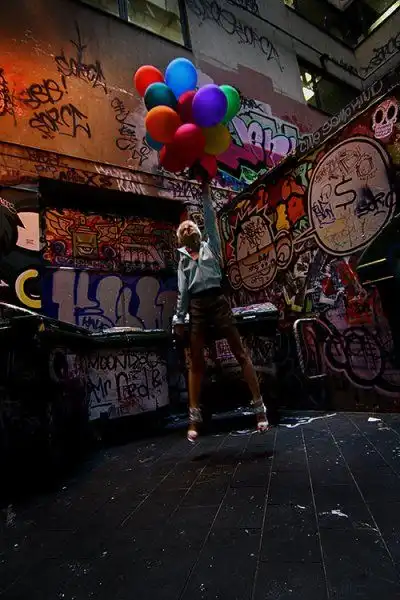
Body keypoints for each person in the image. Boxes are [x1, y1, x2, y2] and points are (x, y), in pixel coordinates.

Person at [172, 179, 268, 442]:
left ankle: (259, 409)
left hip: (218, 301)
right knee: (196, 363)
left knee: (240, 353)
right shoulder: (182, 259)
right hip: (197, 307)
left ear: (198, 232)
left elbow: (209, 218)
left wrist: (205, 188)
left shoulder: (210, 246)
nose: (187, 226)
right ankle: (194, 419)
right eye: (183, 227)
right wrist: (179, 319)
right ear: (181, 238)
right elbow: (183, 291)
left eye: (191, 225)